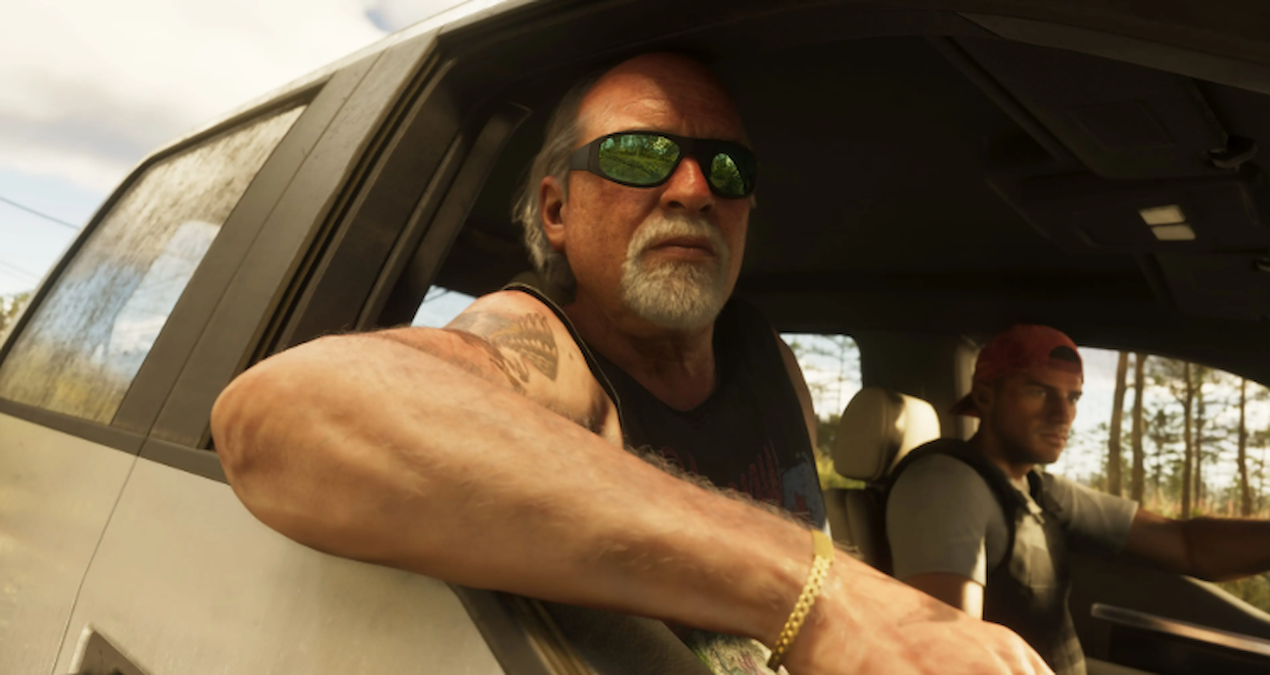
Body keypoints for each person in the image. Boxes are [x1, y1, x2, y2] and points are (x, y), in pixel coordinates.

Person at [211, 53, 1050, 675]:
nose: (692, 188)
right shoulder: (543, 345)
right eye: (639, 154)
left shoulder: (767, 356)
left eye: (726, 167)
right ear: (556, 208)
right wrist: (817, 593)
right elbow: (284, 410)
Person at [886, 324, 1270, 675]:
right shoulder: (945, 484)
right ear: (985, 396)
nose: (1063, 414)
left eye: (1073, 397)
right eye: (1039, 392)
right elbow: (947, 655)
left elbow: (1185, 544)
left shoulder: (1038, 488)